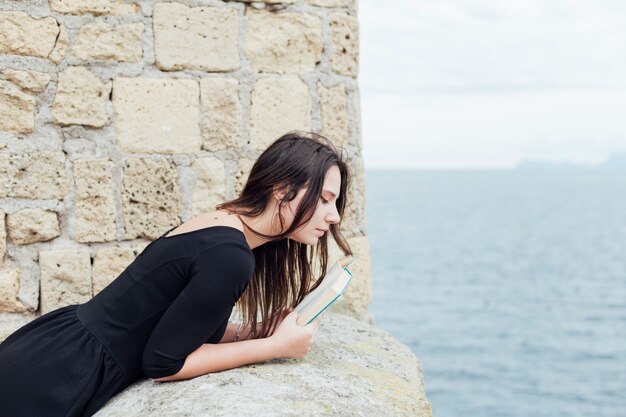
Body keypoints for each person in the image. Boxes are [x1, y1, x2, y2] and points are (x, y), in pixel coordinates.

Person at [0, 131, 353, 417]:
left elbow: (175, 321)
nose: (333, 216)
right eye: (324, 199)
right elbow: (164, 363)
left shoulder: (222, 221)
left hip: (56, 346)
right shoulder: (231, 256)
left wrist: (252, 329)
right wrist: (273, 346)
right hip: (61, 376)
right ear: (282, 190)